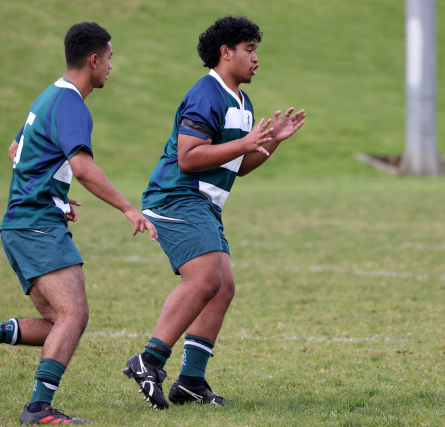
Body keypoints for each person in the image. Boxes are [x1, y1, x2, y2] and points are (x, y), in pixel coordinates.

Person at [0, 22, 157, 424]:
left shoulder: (48, 96)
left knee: (59, 322)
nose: (112, 67)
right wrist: (128, 209)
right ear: (94, 60)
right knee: (74, 316)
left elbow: (15, 151)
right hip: (35, 225)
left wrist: (54, 191)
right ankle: (38, 408)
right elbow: (84, 167)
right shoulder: (72, 104)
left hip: (23, 222)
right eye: (110, 59)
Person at [123, 15, 305, 409]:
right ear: (226, 52)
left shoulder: (242, 102)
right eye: (249, 50)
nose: (256, 58)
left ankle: (190, 382)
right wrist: (244, 143)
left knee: (223, 287)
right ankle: (148, 361)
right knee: (206, 278)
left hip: (204, 204)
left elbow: (237, 166)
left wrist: (271, 142)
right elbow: (188, 158)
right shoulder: (206, 94)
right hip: (176, 196)